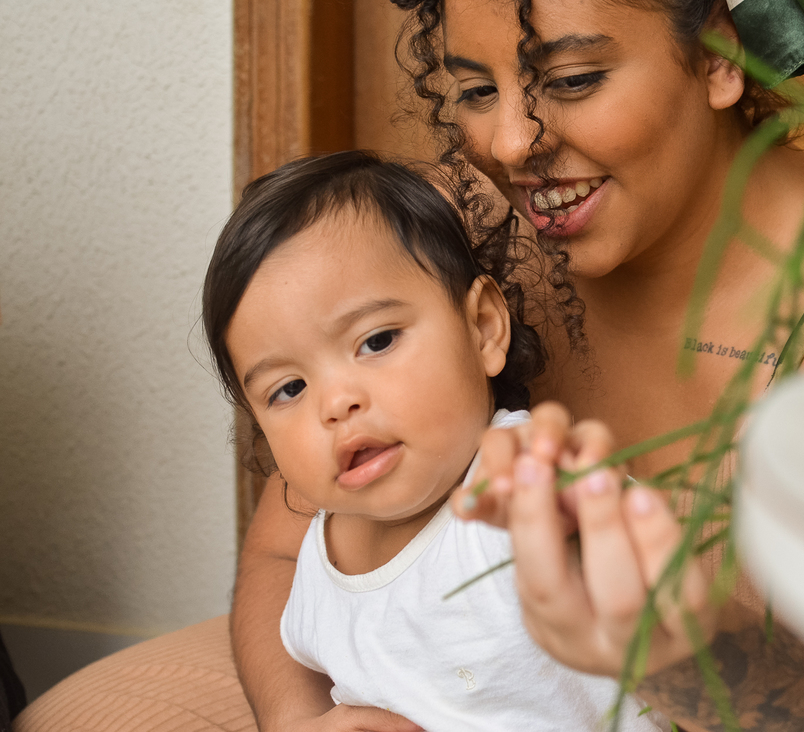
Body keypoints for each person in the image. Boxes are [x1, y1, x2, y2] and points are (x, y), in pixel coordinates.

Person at [14, 0, 804, 731]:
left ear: (721, 56)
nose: (514, 145)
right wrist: (300, 718)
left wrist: (669, 647)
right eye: (477, 91)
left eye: (574, 79)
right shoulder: (466, 219)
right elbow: (285, 539)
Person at [204, 150, 668, 731]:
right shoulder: (316, 575)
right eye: (289, 388)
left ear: (483, 328)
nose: (335, 403)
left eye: (376, 341)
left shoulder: (514, 482)